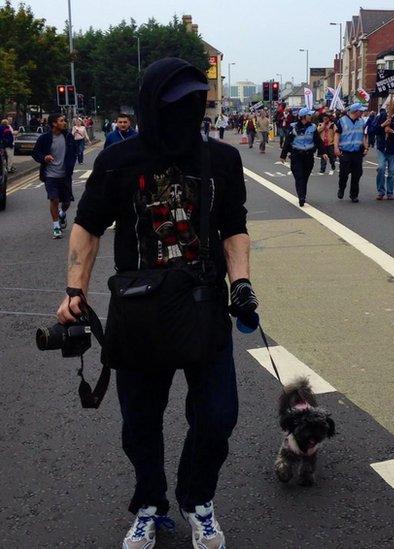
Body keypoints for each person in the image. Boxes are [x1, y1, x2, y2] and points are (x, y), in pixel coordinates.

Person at [56, 57, 258, 549]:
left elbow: (233, 228)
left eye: (193, 101)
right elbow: (87, 225)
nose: (186, 110)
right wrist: (74, 291)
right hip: (140, 311)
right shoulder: (119, 160)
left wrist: (242, 284)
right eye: (175, 103)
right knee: (140, 422)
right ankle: (149, 503)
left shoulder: (222, 160)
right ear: (151, 105)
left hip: (204, 305)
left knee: (217, 416)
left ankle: (197, 499)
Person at [32, 113, 76, 239]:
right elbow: (35, 153)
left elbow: (73, 153)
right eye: (61, 121)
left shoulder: (68, 136)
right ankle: (56, 227)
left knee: (67, 202)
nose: (64, 123)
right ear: (54, 124)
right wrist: (44, 157)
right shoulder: (44, 138)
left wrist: (71, 166)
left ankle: (62, 214)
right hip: (50, 175)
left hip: (65, 175)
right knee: (54, 199)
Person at [280, 107, 327, 206]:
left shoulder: (313, 127)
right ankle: (301, 197)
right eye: (309, 115)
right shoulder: (293, 127)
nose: (311, 116)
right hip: (296, 155)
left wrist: (323, 152)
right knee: (299, 176)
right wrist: (283, 155)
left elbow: (318, 141)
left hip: (308, 156)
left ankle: (302, 195)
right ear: (303, 117)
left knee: (305, 177)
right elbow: (287, 142)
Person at [334, 102, 369, 203]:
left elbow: (364, 135)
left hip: (357, 152)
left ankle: (354, 195)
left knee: (357, 174)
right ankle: (341, 188)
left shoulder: (361, 121)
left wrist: (366, 147)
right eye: (361, 110)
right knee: (344, 173)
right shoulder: (342, 121)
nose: (362, 112)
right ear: (356, 111)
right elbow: (337, 135)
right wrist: (336, 148)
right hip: (345, 151)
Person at [371, 99, 394, 200]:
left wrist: (392, 131)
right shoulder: (381, 116)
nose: (389, 107)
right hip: (382, 147)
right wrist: (383, 125)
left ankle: (390, 192)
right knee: (381, 168)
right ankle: (381, 191)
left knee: (392, 171)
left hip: (393, 149)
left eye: (391, 105)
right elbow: (374, 130)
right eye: (388, 106)